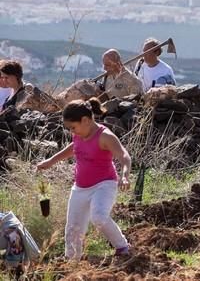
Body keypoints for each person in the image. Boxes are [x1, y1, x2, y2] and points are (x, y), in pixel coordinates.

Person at [36, 99, 131, 260]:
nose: (72, 132)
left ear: (86, 120)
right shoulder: (79, 135)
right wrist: (50, 161)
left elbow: (124, 155)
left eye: (73, 127)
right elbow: (74, 148)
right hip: (80, 188)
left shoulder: (105, 136)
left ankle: (122, 247)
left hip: (104, 185)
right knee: (73, 227)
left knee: (99, 217)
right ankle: (71, 260)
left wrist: (125, 176)